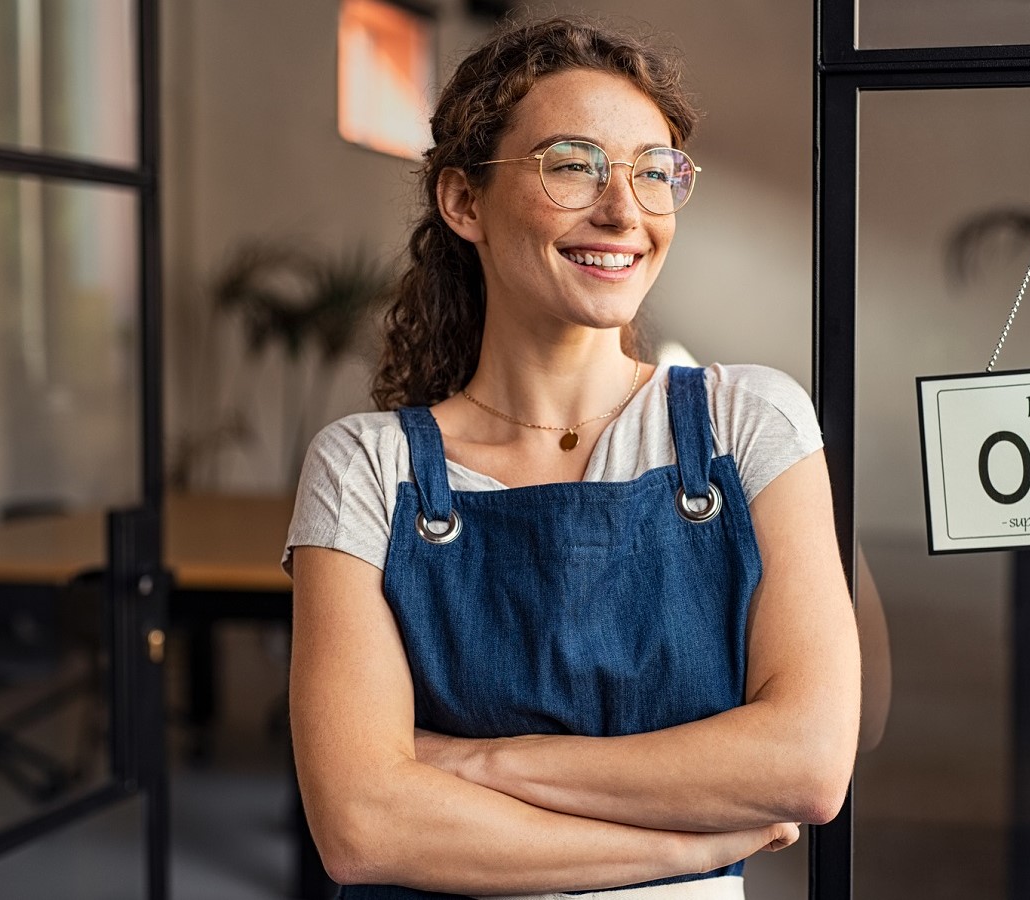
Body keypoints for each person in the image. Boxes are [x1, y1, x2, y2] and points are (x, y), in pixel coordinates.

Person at [284, 15, 861, 898]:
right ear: (463, 202)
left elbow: (809, 763)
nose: (623, 210)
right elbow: (362, 828)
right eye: (572, 164)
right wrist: (688, 849)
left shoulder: (750, 423)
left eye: (653, 171)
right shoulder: (365, 467)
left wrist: (478, 766)